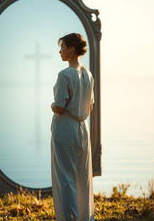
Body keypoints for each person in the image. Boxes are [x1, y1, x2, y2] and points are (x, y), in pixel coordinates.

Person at [50, 33, 95, 221]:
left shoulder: (64, 75)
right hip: (82, 128)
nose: (60, 51)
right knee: (82, 176)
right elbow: (90, 106)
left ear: (72, 49)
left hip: (66, 128)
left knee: (65, 177)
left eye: (63, 47)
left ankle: (68, 218)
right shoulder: (88, 74)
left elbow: (59, 106)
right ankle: (85, 216)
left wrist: (52, 106)